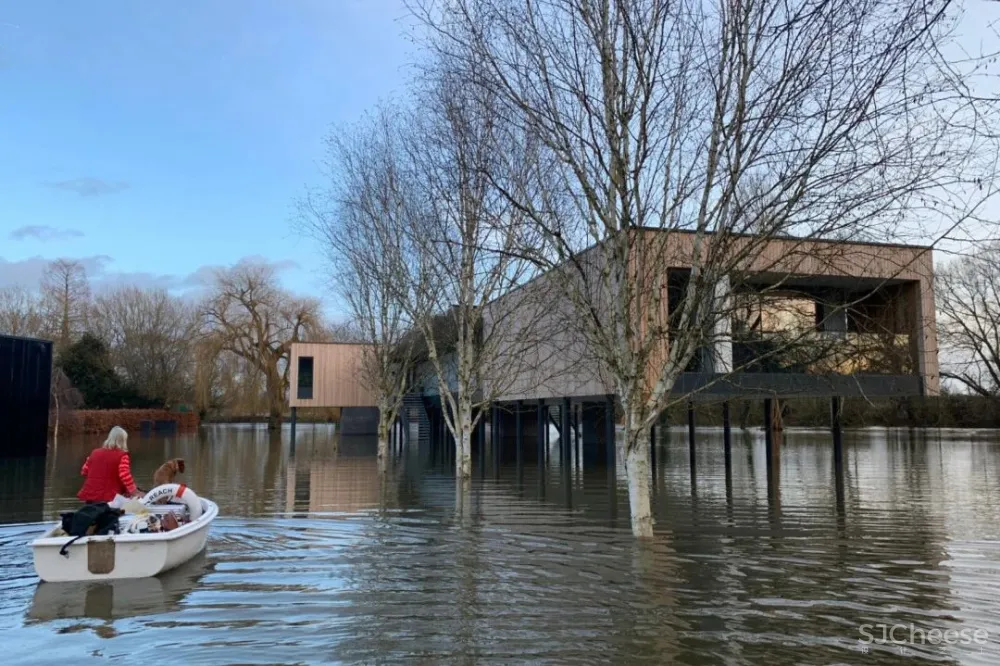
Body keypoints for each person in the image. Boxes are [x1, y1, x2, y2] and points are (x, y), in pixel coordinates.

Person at [77, 426, 142, 503]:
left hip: (90, 497)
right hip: (110, 499)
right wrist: (135, 492)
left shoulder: (94, 453)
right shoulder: (122, 456)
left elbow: (84, 471)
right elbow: (125, 476)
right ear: (123, 440)